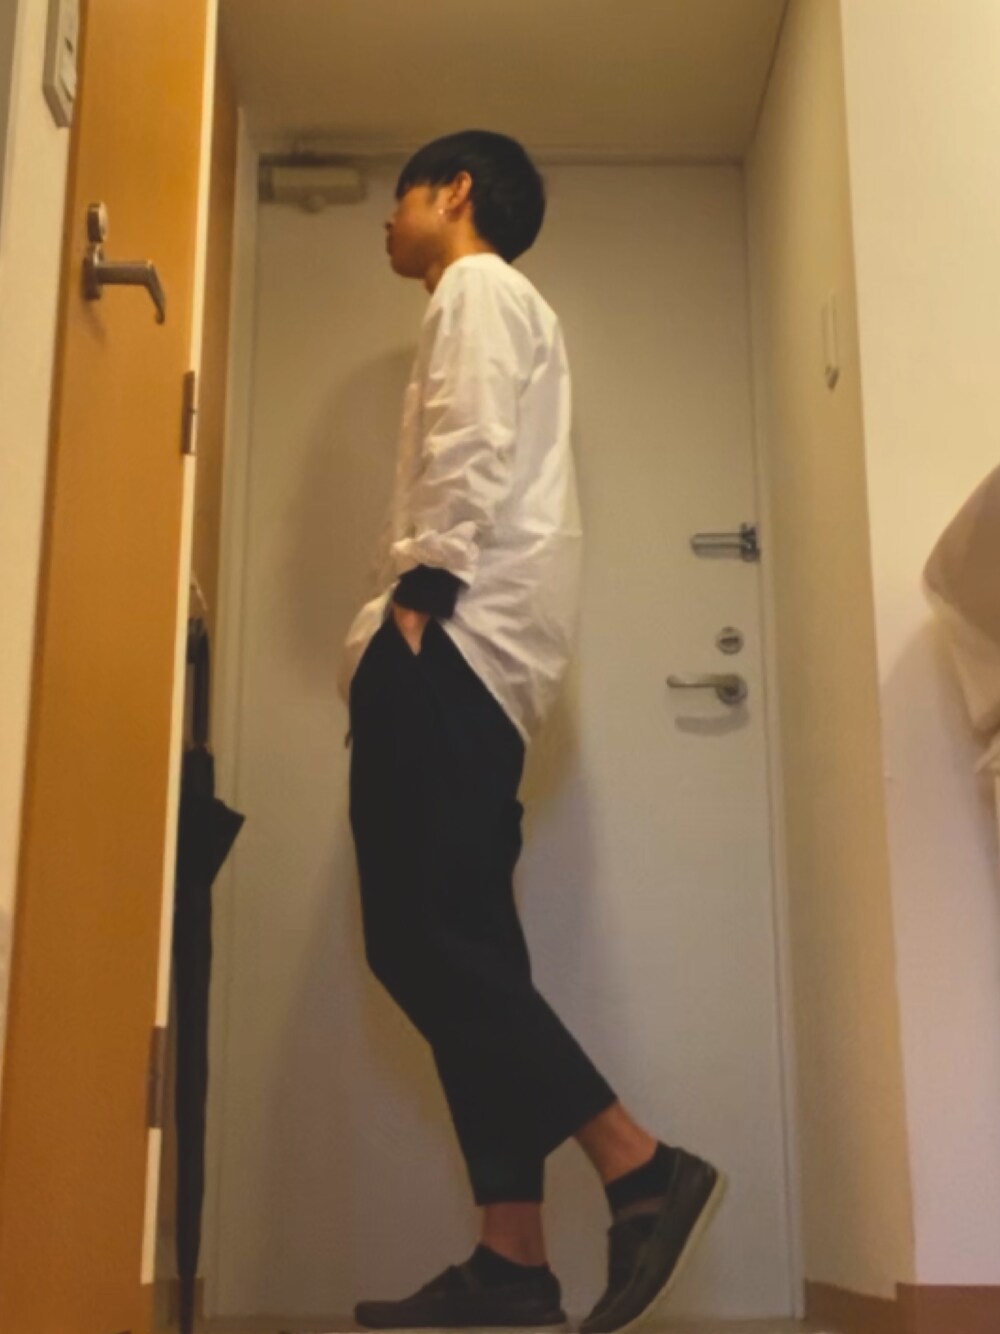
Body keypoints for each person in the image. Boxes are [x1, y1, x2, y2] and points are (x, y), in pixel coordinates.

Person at [337, 130, 726, 1333]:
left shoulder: (477, 287)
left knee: (418, 940)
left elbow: (468, 435)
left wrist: (421, 595)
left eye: (400, 196)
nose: (386, 221)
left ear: (454, 191)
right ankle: (511, 1257)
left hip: (450, 647)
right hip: (484, 665)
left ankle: (637, 1162)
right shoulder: (502, 303)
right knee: (466, 950)